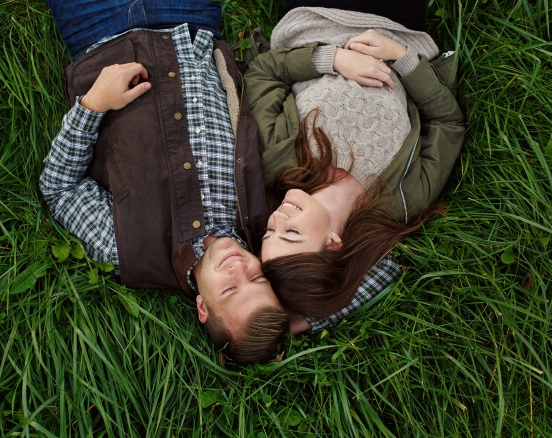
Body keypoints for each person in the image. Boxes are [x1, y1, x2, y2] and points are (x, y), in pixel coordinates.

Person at [39, 0, 401, 363]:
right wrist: (300, 321)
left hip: (100, 33)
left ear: (202, 307)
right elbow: (382, 266)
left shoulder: (130, 252)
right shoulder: (270, 222)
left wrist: (93, 106)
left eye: (230, 290)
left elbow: (59, 189)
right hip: (189, 20)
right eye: (257, 280)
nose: (238, 267)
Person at [244, 6, 465, 318]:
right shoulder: (404, 197)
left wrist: (332, 59)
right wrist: (401, 57)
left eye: (269, 231)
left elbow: (264, 72)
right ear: (333, 242)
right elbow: (448, 123)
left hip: (313, 19)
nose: (277, 218)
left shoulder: (278, 159)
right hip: (394, 25)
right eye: (290, 233)